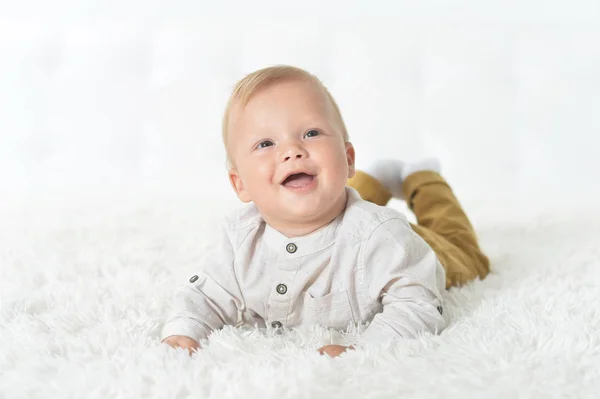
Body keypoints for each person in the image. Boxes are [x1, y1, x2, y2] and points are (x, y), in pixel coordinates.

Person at [160, 65, 490, 357]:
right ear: (240, 184)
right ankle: (376, 178)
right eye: (265, 144)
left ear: (349, 158)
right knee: (324, 187)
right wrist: (183, 329)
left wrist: (366, 349)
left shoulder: (384, 238)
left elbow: (416, 304)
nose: (292, 150)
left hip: (421, 249)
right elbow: (205, 294)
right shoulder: (239, 240)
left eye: (311, 133)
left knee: (463, 247)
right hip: (345, 206)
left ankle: (423, 177)